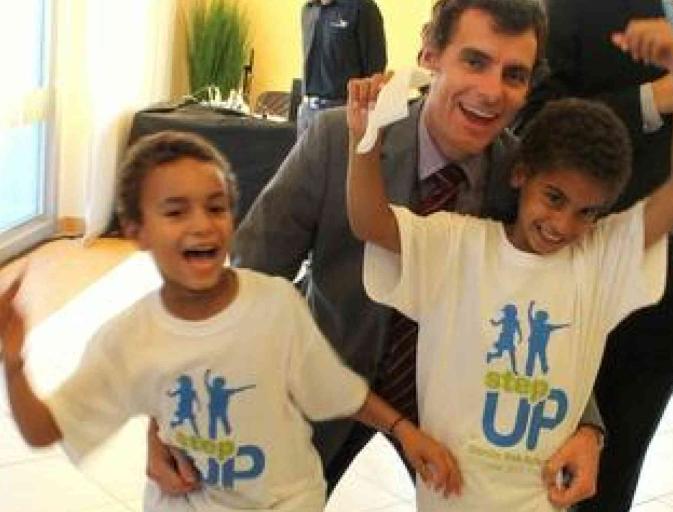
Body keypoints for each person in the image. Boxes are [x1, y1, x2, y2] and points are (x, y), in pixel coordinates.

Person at [148, 1, 606, 508]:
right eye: (474, 61)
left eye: (514, 74)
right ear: (430, 54)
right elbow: (248, 276)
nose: (492, 91)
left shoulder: (522, 180)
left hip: (451, 407)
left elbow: (556, 304)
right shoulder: (338, 140)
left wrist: (587, 425)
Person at [344, 16, 673, 510]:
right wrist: (363, 140)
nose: (563, 225)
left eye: (588, 212)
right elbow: (371, 223)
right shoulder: (457, 246)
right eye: (553, 198)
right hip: (449, 498)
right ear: (520, 174)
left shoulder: (600, 258)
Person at [0, 131, 462, 512]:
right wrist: (15, 361)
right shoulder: (128, 338)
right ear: (136, 230)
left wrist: (404, 429)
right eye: (176, 211)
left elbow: (339, 390)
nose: (201, 224)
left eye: (216, 207)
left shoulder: (276, 306)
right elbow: (45, 430)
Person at [517, 1, 673, 509]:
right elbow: (534, 120)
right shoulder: (579, 7)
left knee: (623, 456)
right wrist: (652, 99)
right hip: (587, 256)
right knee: (540, 446)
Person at [297, 0, 387, 135]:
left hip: (342, 112)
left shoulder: (362, 8)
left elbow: (375, 69)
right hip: (307, 111)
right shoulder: (308, 10)